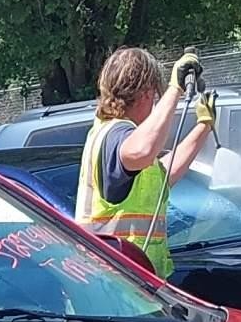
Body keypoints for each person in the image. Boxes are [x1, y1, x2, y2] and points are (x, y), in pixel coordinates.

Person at [75, 46, 216, 278]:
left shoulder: (119, 137)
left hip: (134, 285)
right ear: (147, 93)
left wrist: (204, 126)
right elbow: (143, 150)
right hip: (115, 285)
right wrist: (175, 89)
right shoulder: (115, 133)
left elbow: (163, 175)